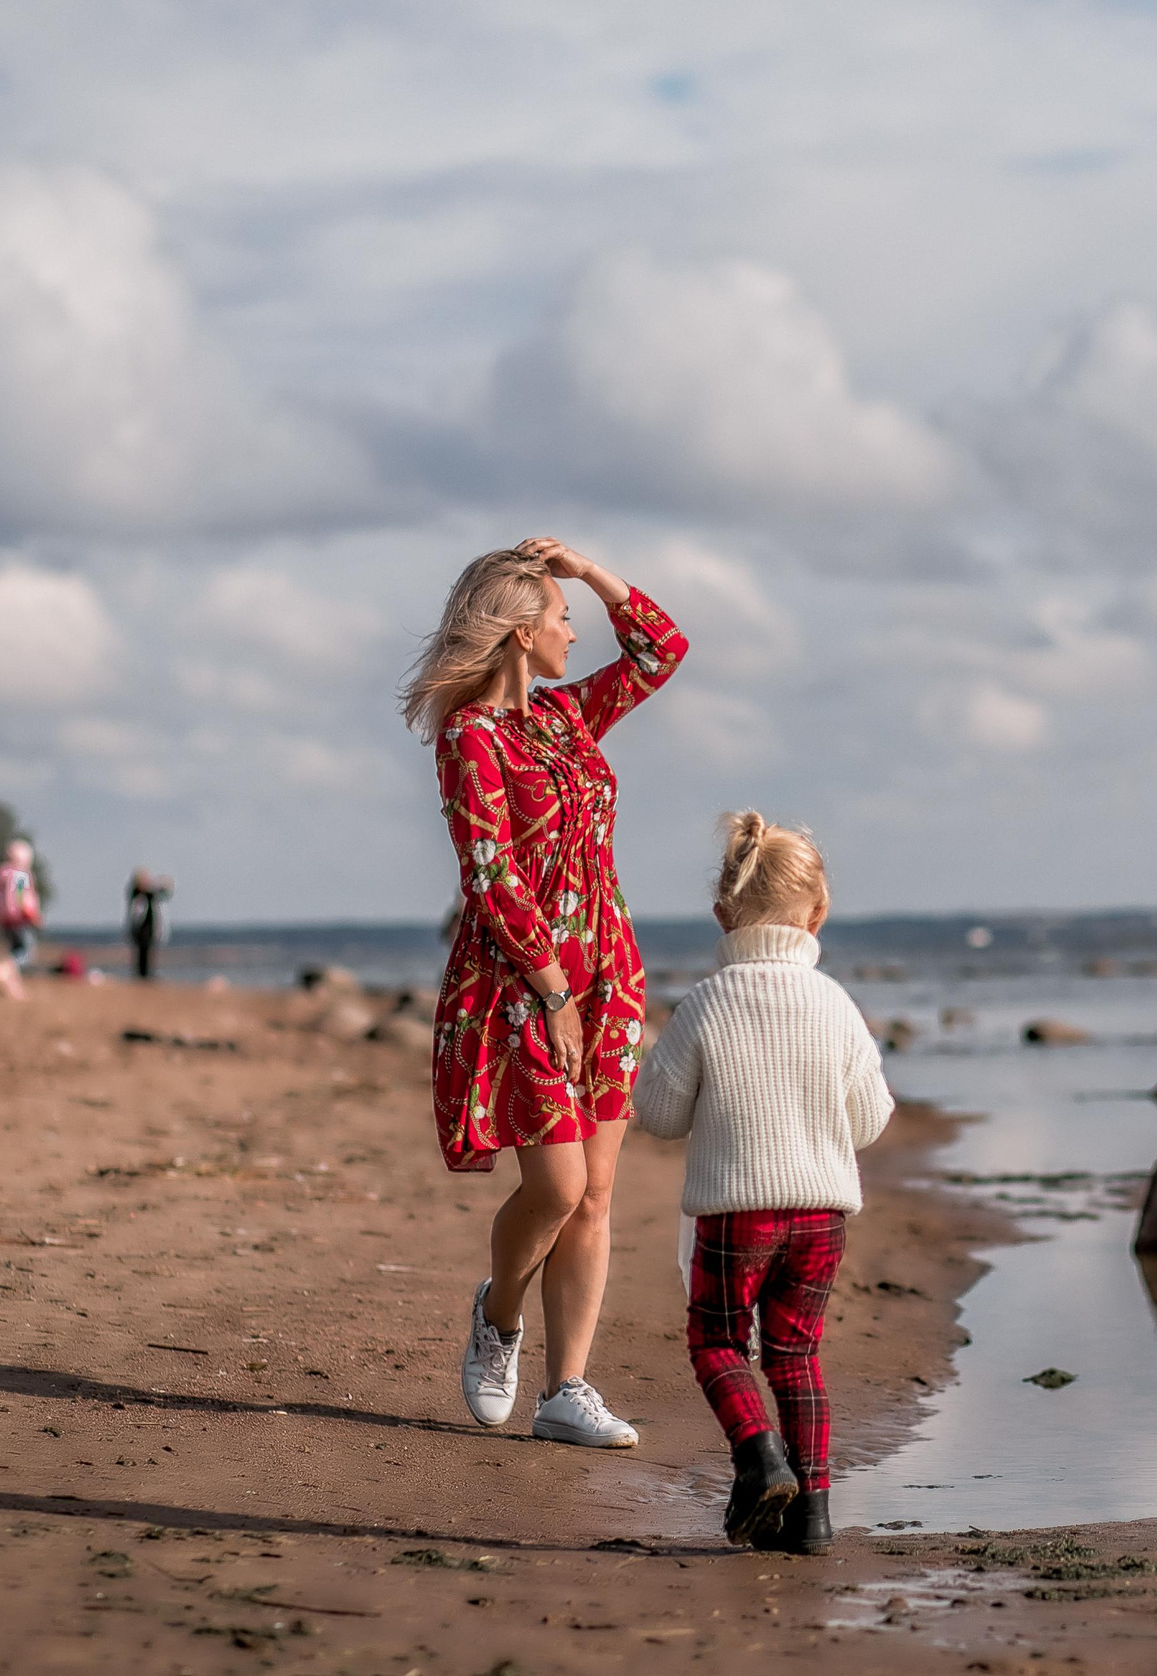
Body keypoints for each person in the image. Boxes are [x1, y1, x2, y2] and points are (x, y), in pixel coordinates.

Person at [400, 537, 687, 1449]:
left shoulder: (566, 719)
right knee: (558, 1185)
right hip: (525, 982)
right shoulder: (469, 736)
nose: (575, 629)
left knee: (598, 1192)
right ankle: (500, 1314)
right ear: (522, 633)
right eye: (562, 617)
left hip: (611, 973)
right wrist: (553, 987)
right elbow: (488, 872)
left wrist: (592, 571)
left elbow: (662, 649)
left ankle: (567, 1390)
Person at [634, 813, 895, 1554]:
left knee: (718, 1339)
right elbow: (870, 1119)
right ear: (818, 915)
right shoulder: (836, 1004)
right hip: (821, 1213)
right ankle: (812, 1513)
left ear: (722, 914)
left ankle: (759, 1453)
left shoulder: (707, 1004)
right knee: (796, 1353)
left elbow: (657, 1113)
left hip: (735, 1213)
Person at [0, 839, 41, 1000]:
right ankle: (4, 970)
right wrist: (32, 915)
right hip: (19, 919)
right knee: (26, 953)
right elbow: (20, 897)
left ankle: (14, 989)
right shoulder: (20, 874)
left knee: (13, 951)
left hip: (3, 920)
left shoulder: (1, 873)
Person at [125, 869, 173, 979]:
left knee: (148, 951)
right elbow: (135, 912)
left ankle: (146, 973)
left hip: (150, 929)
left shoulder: (149, 895)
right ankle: (142, 974)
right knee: (142, 952)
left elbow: (164, 892)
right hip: (141, 929)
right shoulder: (137, 894)